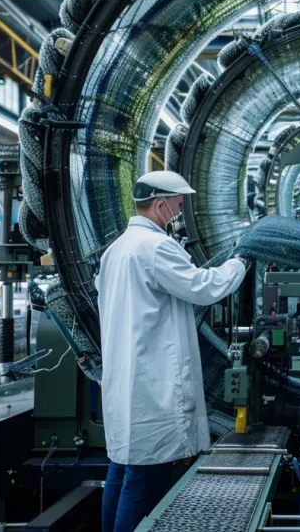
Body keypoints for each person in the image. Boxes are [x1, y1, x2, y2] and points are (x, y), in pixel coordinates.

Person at [96, 170, 250, 532]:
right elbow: (203, 287)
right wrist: (240, 263)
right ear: (161, 204)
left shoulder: (116, 250)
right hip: (153, 387)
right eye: (179, 206)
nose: (180, 213)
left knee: (122, 471)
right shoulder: (156, 247)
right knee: (142, 481)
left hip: (128, 382)